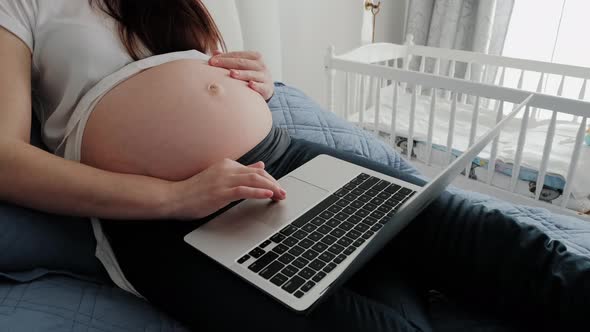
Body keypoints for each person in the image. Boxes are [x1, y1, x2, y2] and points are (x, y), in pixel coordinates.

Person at [0, 1, 588, 331]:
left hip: (290, 159)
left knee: (517, 247)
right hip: (169, 224)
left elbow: (200, 78)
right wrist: (174, 198)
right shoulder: (22, 5)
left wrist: (253, 82)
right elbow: (6, 159)